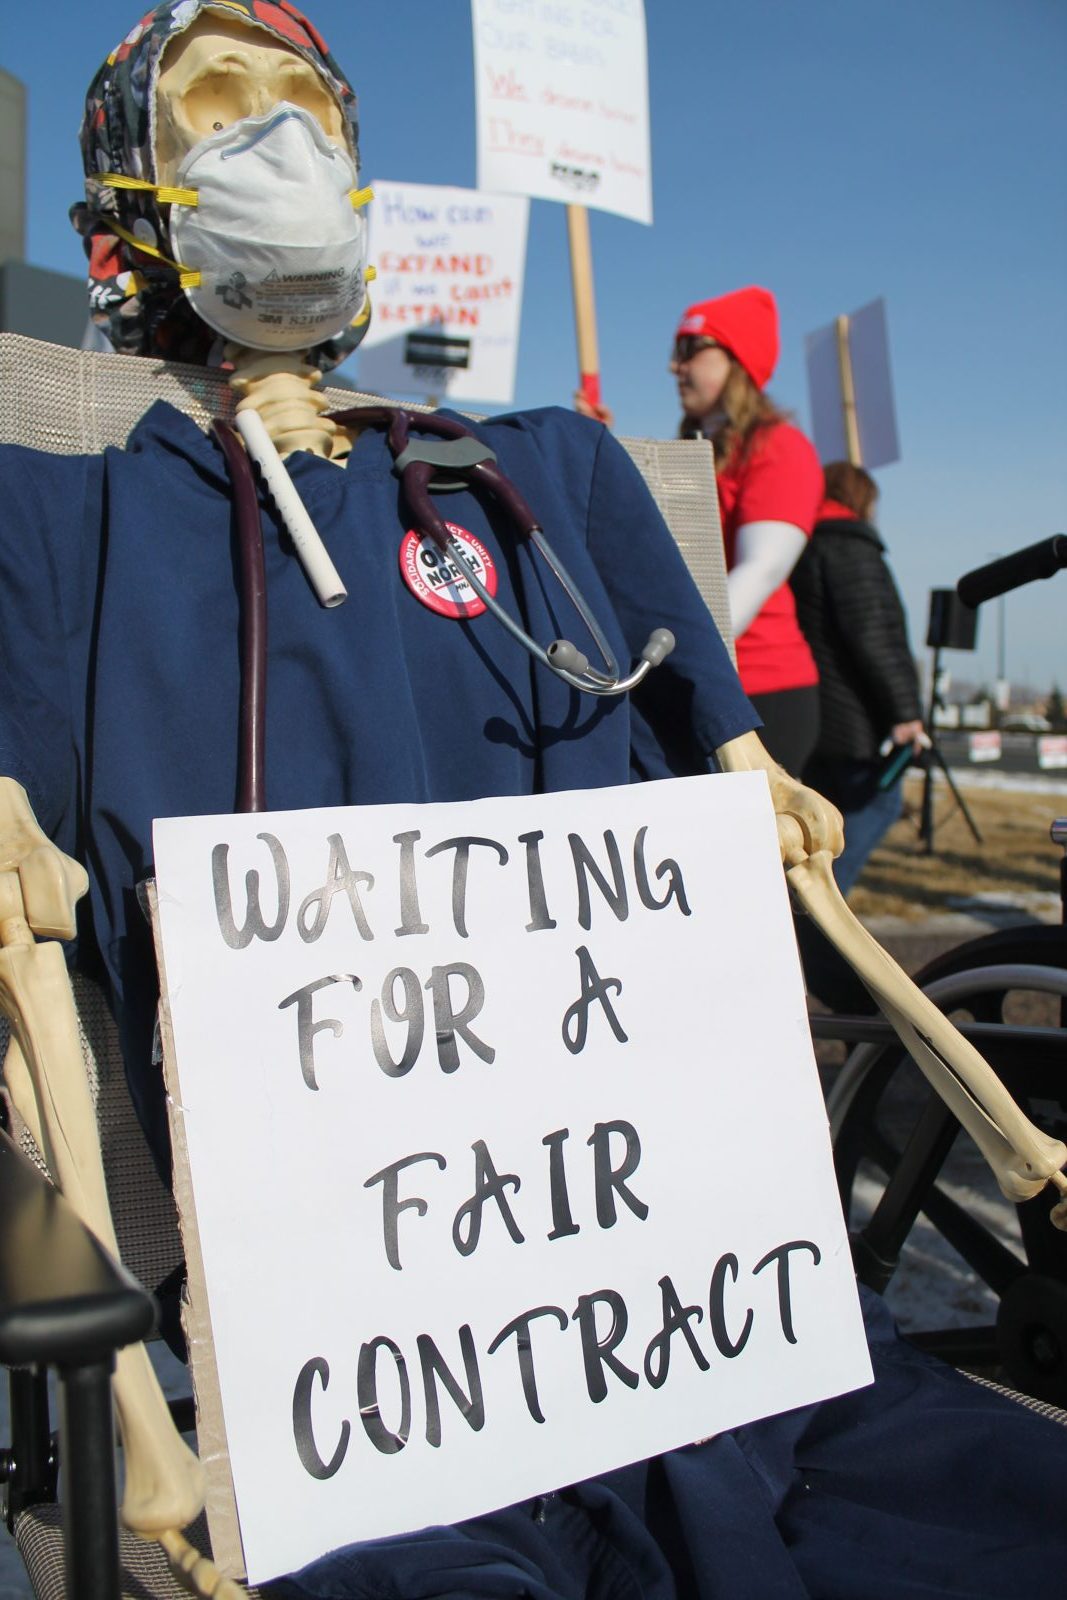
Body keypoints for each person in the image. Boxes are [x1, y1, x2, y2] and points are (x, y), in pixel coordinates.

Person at [0, 6, 1064, 1596]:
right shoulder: (60, 524)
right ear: (123, 204)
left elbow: (752, 819)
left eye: (306, 112)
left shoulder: (547, 476)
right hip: (363, 1403)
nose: (279, 148)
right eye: (218, 110)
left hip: (687, 1323)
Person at [577, 287, 824, 774]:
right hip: (692, 676)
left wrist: (683, 663)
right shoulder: (692, 455)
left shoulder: (781, 448)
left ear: (738, 359)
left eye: (691, 349)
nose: (675, 366)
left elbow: (761, 569)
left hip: (758, 689)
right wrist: (596, 446)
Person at [791, 461, 926, 897]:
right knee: (879, 803)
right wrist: (905, 713)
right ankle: (816, 909)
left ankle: (807, 908)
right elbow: (874, 635)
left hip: (812, 709)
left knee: (820, 818)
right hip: (850, 717)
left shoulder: (802, 543)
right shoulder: (850, 547)